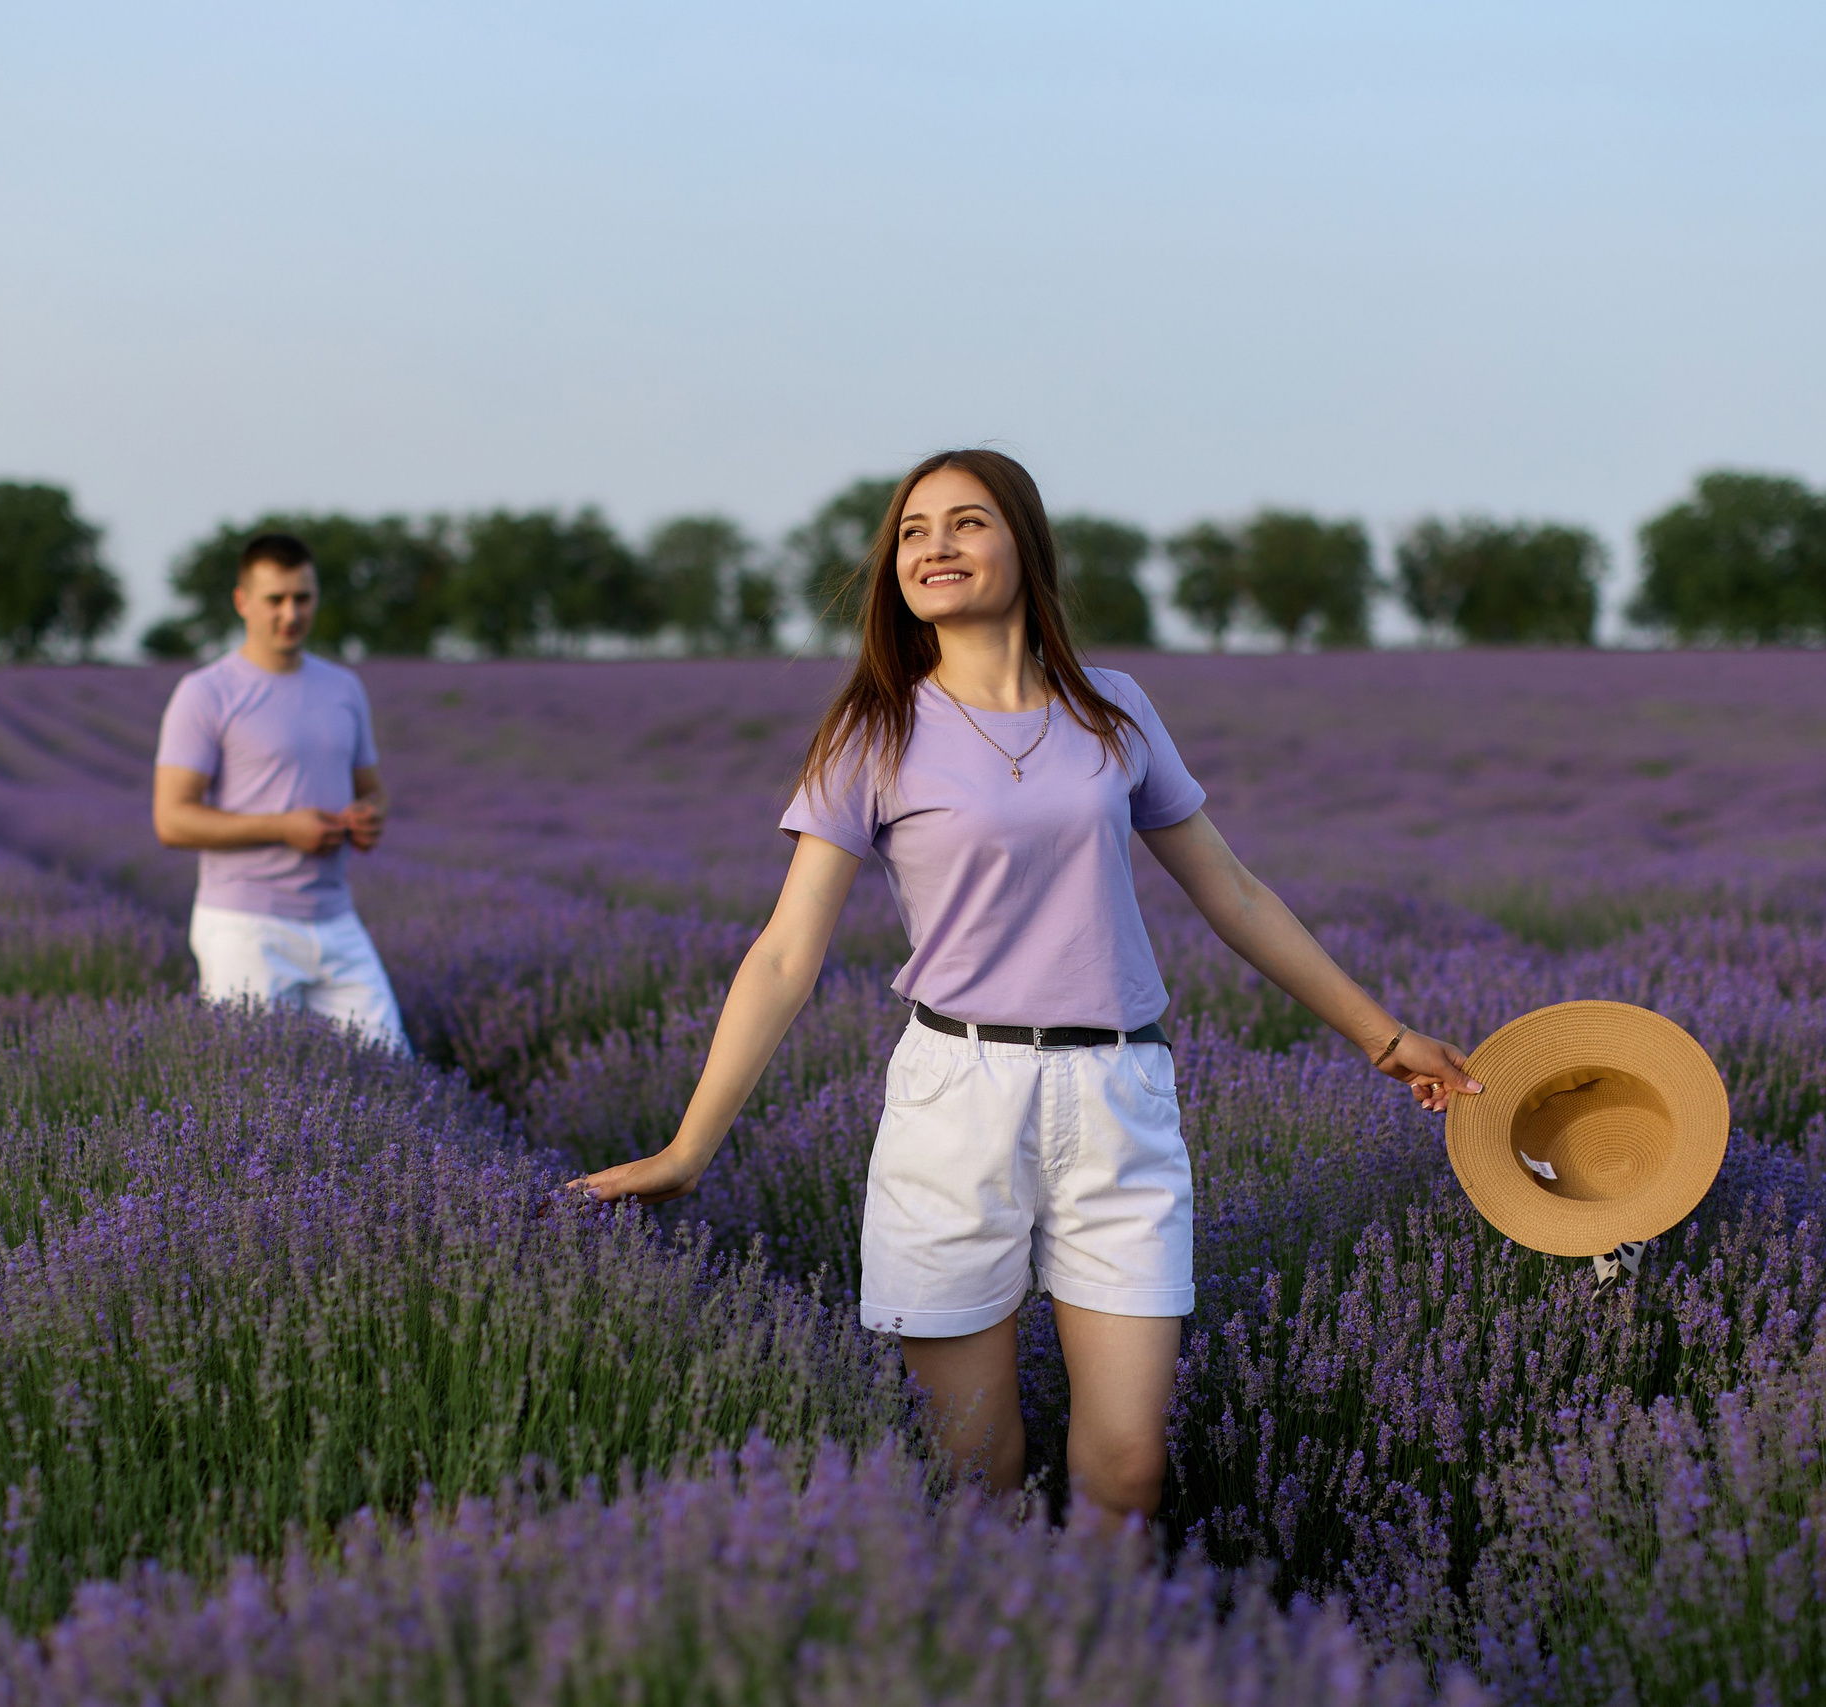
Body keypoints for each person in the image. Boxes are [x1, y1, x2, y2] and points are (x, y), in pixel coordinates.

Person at [572, 450, 1481, 1524]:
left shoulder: (1113, 711)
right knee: (976, 1472)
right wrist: (690, 1147)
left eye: (966, 523)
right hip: (954, 1100)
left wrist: (1385, 1038)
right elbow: (783, 953)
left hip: (1118, 1095)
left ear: (1024, 547)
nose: (934, 547)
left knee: (1128, 1472)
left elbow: (1232, 892)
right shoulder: (873, 729)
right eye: (913, 532)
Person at [152, 532, 407, 1050]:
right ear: (242, 601)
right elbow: (171, 820)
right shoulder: (206, 693)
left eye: (303, 598)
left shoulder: (343, 688)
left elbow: (373, 790)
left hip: (335, 919)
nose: (291, 614)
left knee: (392, 1073)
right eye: (275, 600)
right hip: (245, 926)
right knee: (249, 1092)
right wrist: (283, 828)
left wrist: (369, 817)